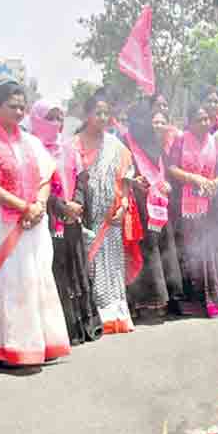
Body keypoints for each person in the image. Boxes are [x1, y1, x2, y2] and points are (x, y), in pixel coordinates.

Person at [0, 80, 71, 365]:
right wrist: (22, 206)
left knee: (34, 278)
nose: (18, 112)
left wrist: (38, 204)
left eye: (21, 107)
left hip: (32, 223)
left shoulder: (30, 140)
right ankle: (5, 346)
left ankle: (38, 343)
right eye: (11, 106)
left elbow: (45, 177)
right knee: (7, 283)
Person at [34, 98, 104, 345]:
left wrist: (76, 204)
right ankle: (65, 330)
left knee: (78, 268)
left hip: (72, 219)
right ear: (38, 121)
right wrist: (62, 207)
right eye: (50, 118)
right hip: (49, 221)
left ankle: (85, 325)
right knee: (58, 271)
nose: (56, 123)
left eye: (59, 118)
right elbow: (36, 186)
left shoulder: (68, 149)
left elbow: (81, 178)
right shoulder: (34, 150)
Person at [73, 91, 139, 335]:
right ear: (87, 115)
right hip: (85, 217)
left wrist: (122, 205)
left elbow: (126, 179)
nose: (102, 118)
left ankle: (115, 315)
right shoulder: (74, 145)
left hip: (111, 217)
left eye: (106, 113)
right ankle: (93, 315)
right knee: (89, 265)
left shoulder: (115, 146)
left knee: (111, 265)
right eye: (97, 113)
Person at [121, 104, 185, 322]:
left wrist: (164, 183)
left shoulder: (155, 144)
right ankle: (140, 301)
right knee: (143, 251)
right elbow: (120, 171)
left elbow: (162, 170)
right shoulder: (124, 142)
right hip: (136, 206)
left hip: (157, 205)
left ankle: (161, 299)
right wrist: (131, 181)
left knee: (161, 250)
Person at [168, 105, 218, 318]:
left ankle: (211, 301)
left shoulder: (217, 141)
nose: (204, 123)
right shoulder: (181, 140)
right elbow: (171, 168)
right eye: (199, 119)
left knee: (207, 252)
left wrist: (215, 182)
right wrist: (194, 178)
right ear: (190, 122)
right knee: (188, 251)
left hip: (209, 207)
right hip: (184, 207)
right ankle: (190, 303)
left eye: (206, 119)